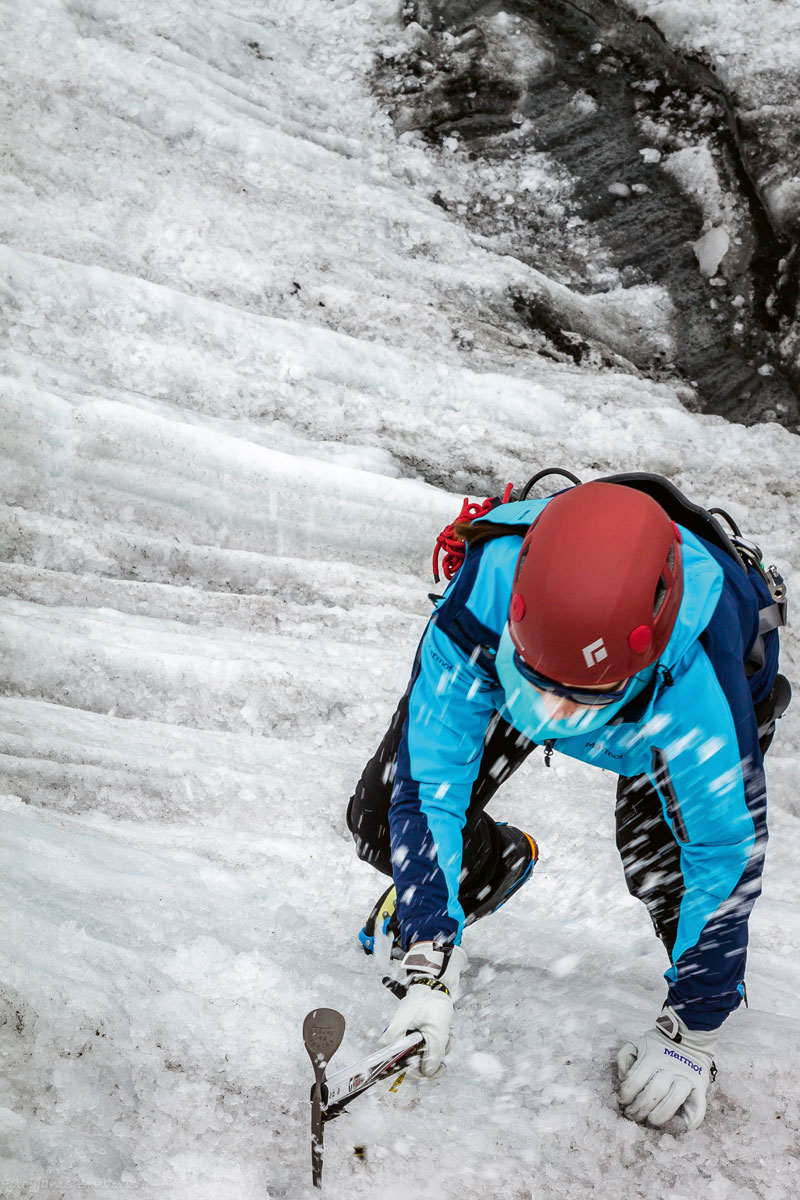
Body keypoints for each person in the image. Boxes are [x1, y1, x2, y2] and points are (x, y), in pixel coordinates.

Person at [347, 473, 790, 1130]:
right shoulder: (486, 591)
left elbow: (724, 851)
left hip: (657, 725)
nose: (550, 713)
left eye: (574, 697)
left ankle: (691, 1011)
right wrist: (430, 955)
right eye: (541, 686)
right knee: (384, 818)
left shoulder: (704, 686)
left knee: (664, 879)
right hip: (522, 661)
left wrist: (693, 1033)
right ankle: (486, 870)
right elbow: (427, 786)